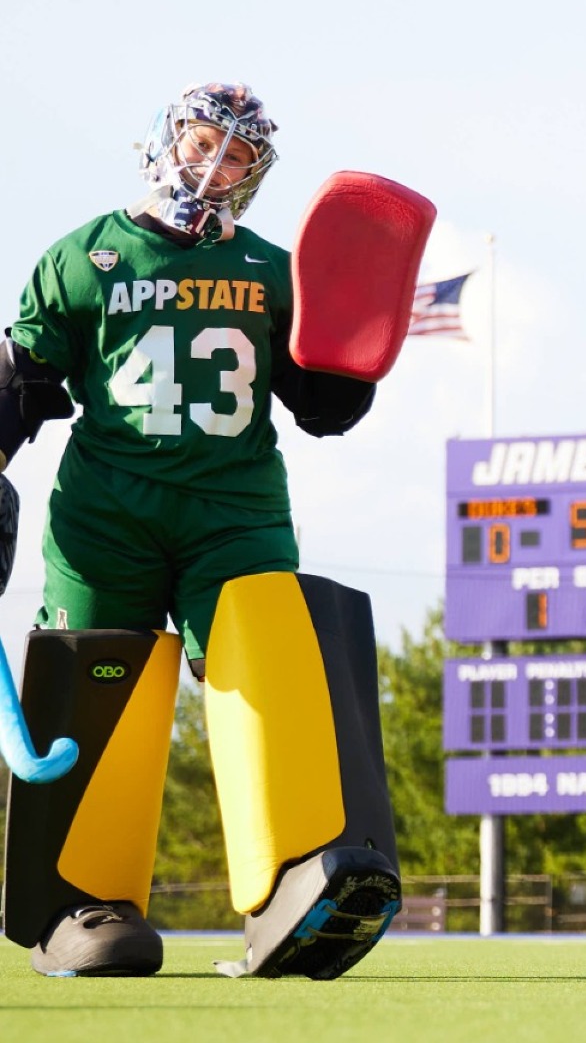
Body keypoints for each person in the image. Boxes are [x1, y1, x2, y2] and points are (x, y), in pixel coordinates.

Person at [2, 83, 402, 980]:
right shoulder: (84, 255)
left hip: (235, 512)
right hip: (107, 514)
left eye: (236, 156)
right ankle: (81, 900)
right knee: (99, 685)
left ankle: (303, 876)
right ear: (162, 140)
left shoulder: (269, 267)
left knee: (272, 669)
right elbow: (20, 383)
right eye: (201, 141)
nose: (212, 164)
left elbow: (324, 410)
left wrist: (356, 348)